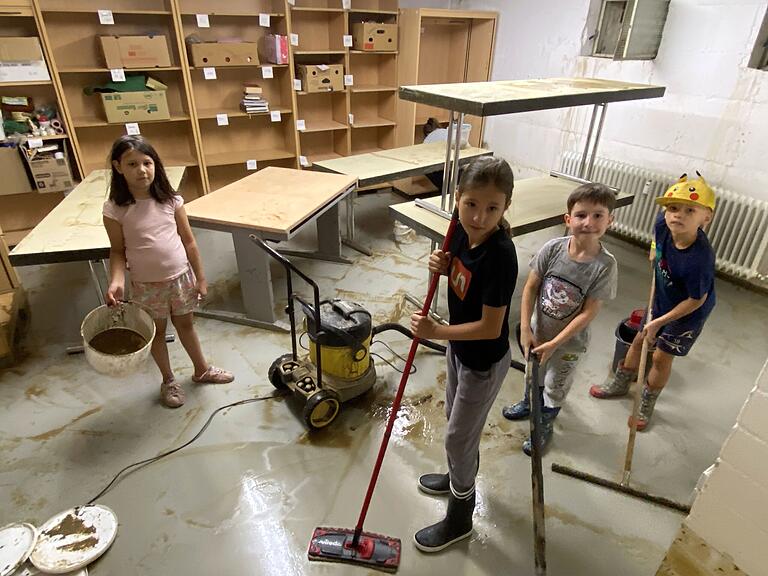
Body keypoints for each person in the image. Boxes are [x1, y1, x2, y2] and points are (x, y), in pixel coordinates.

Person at [409, 156, 518, 552]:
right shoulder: (457, 229)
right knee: (457, 425)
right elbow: (453, 273)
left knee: (458, 437)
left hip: (483, 362)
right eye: (471, 204)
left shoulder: (501, 256)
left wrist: (437, 331)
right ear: (458, 198)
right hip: (459, 350)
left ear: (505, 207)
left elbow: (491, 327)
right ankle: (457, 477)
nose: (479, 216)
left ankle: (461, 517)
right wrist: (439, 264)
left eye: (492, 208)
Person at [103, 135, 233, 408]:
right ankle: (169, 380)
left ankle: (202, 370)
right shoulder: (115, 209)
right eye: (132, 164)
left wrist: (201, 277)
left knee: (186, 325)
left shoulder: (171, 201)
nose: (142, 170)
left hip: (181, 278)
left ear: (155, 165)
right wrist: (116, 282)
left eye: (147, 162)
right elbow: (117, 251)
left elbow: (189, 241)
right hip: (146, 285)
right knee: (157, 333)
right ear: (118, 167)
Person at [590, 173, 716, 431]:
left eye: (689, 210)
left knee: (660, 357)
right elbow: (656, 244)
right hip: (663, 297)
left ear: (707, 216)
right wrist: (656, 254)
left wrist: (659, 322)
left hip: (687, 314)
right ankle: (620, 384)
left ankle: (646, 403)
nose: (677, 215)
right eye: (673, 208)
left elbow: (696, 299)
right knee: (639, 340)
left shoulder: (699, 260)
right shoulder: (663, 224)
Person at [501, 183, 618, 454]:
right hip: (537, 333)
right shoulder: (553, 249)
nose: (588, 222)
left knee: (555, 386)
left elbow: (589, 311)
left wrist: (556, 343)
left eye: (598, 215)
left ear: (609, 221)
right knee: (534, 375)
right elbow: (530, 287)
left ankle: (544, 423)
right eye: (581, 215)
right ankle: (530, 403)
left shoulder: (605, 265)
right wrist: (525, 330)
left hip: (568, 345)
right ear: (568, 219)